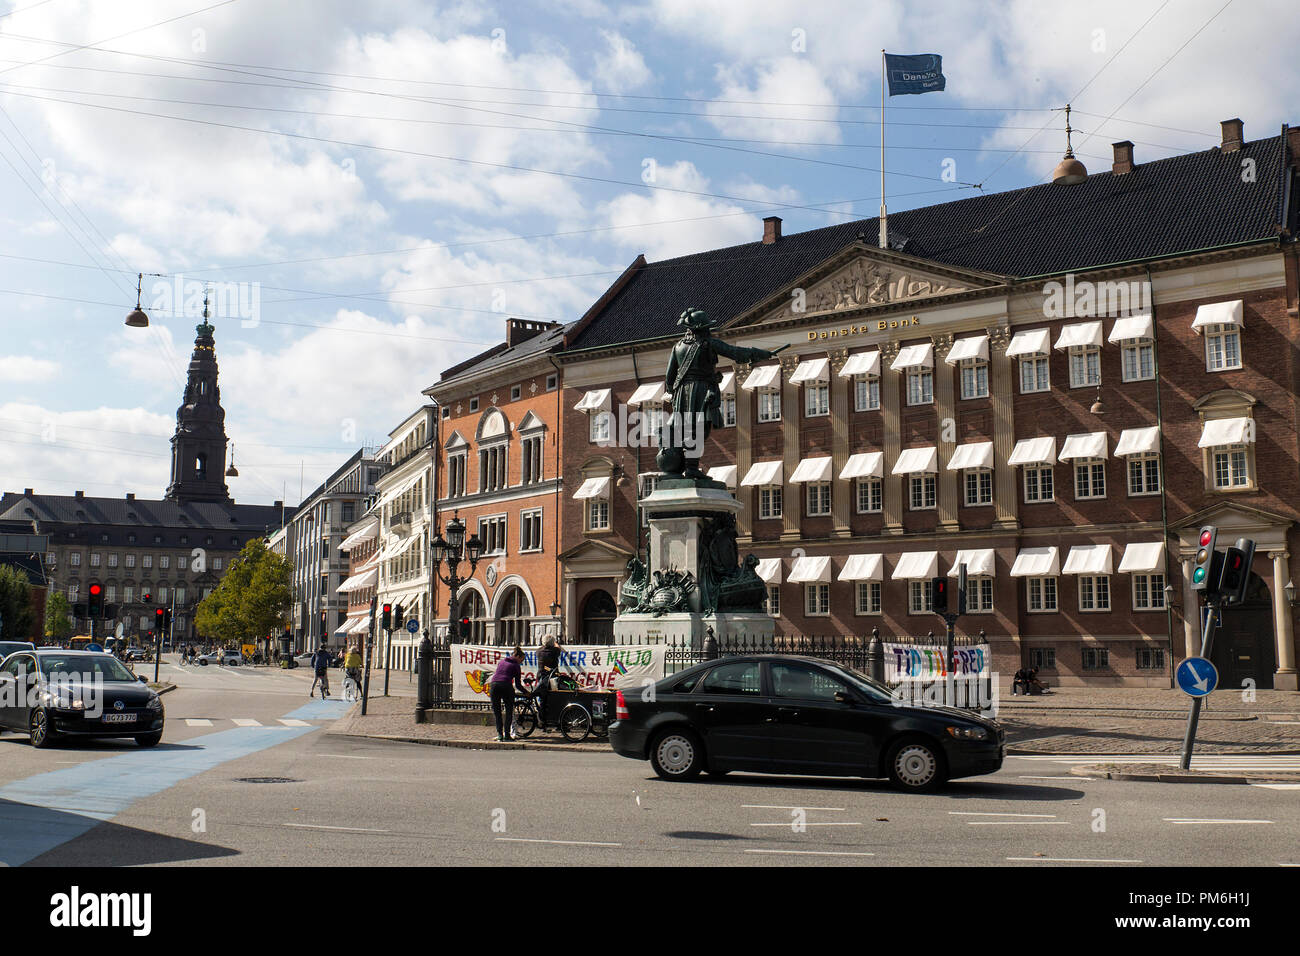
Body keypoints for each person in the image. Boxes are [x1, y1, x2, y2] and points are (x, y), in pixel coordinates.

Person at [489, 646, 527, 742]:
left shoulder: (501, 662)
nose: (521, 662)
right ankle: (507, 735)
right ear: (517, 656)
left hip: (494, 686)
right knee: (509, 711)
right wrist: (526, 693)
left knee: (497, 712)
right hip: (506, 686)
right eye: (521, 660)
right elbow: (518, 685)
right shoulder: (516, 666)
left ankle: (499, 735)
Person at [535, 636, 563, 730]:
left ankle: (542, 722)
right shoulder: (554, 651)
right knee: (556, 699)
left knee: (543, 700)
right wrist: (556, 643)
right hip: (552, 678)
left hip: (542, 678)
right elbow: (559, 649)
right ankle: (557, 723)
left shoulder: (538, 651)